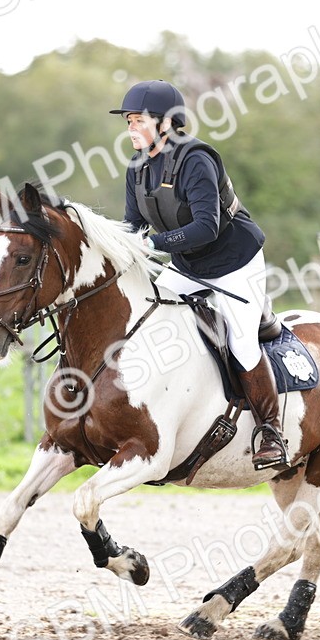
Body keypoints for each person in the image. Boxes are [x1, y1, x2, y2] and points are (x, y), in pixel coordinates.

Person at [110, 79, 288, 470]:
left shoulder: (196, 160)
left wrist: (154, 244)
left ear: (165, 123)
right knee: (146, 321)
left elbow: (207, 226)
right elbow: (132, 225)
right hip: (188, 265)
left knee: (241, 343)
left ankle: (271, 432)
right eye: (128, 121)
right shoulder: (137, 168)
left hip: (235, 261)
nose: (131, 128)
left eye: (138, 120)